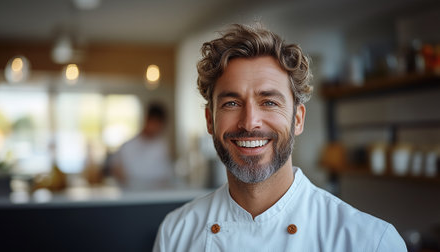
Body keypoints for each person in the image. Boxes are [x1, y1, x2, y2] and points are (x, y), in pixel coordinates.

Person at [153, 24, 407, 251]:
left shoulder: (371, 241)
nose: (250, 122)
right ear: (210, 120)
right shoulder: (176, 233)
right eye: (231, 103)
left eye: (269, 102)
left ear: (297, 119)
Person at [111, 102, 173, 190]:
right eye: (155, 124)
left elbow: (166, 174)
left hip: (157, 195)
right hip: (132, 195)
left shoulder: (162, 145)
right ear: (147, 120)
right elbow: (117, 170)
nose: (157, 129)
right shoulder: (128, 146)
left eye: (160, 126)